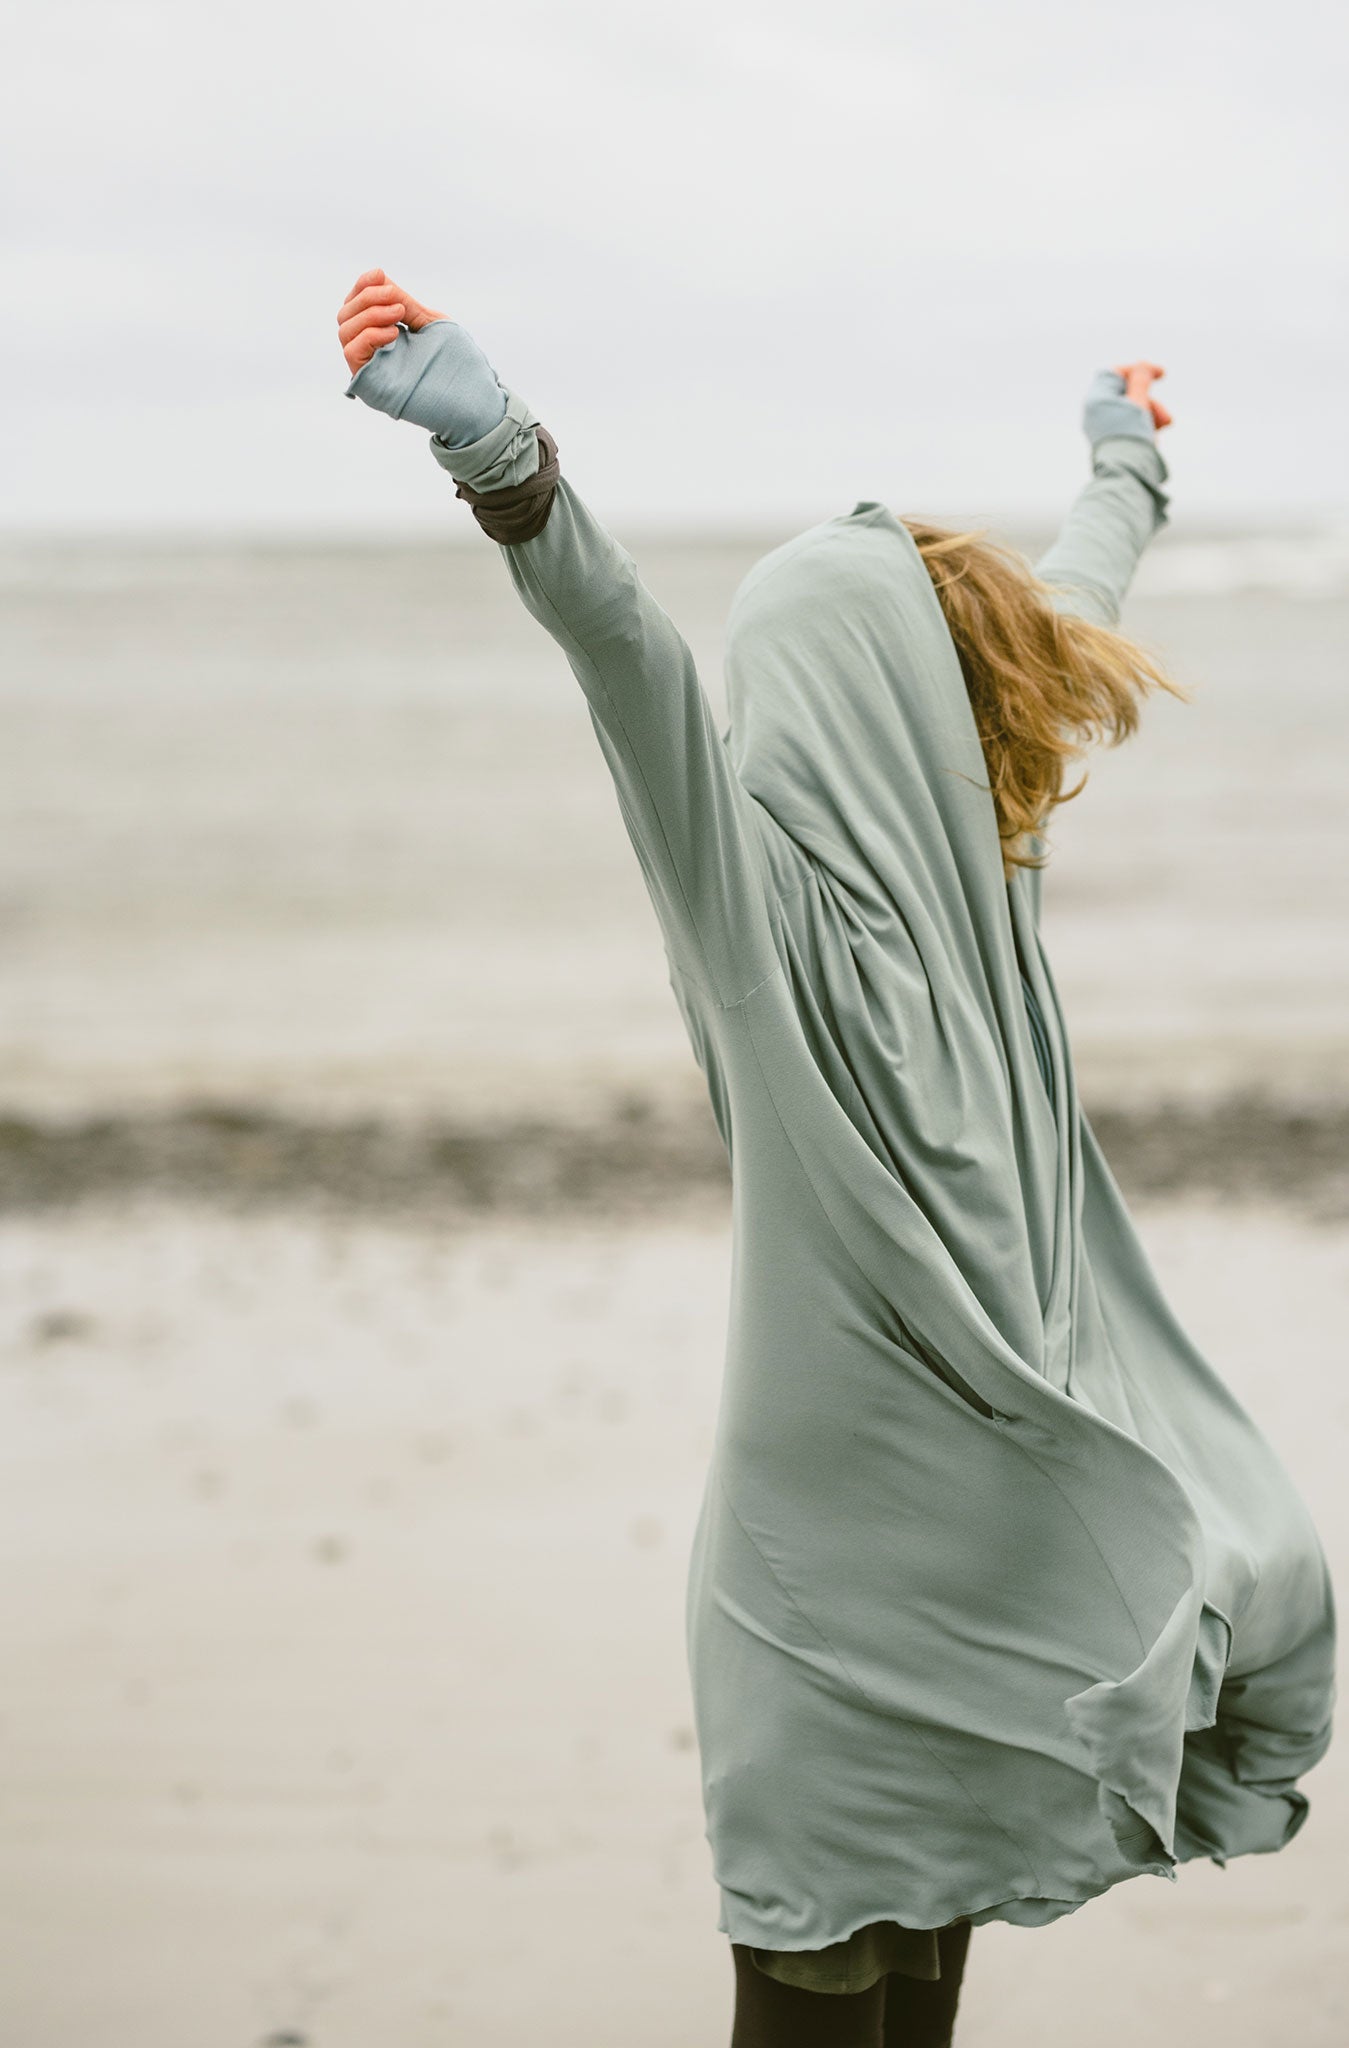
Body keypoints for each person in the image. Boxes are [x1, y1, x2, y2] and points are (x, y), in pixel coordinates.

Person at [336, 270, 1336, 2047]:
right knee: (925, 1960)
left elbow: (623, 649)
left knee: (805, 1970)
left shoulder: (759, 914)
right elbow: (1067, 605)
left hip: (820, 1565)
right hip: (1007, 1546)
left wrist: (498, 450)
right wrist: (1124, 460)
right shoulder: (991, 869)